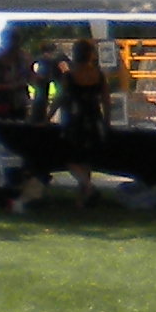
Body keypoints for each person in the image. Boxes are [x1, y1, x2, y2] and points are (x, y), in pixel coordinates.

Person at [57, 36, 111, 206]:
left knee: (69, 157)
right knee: (86, 159)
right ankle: (83, 198)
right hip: (94, 117)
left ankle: (88, 187)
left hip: (75, 118)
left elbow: (60, 98)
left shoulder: (70, 75)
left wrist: (47, 115)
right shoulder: (98, 74)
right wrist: (107, 121)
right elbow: (106, 100)